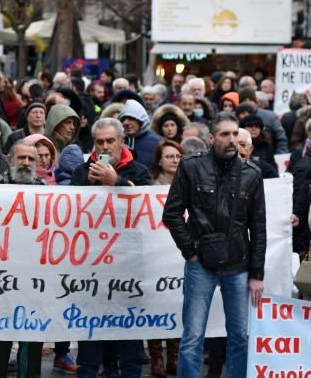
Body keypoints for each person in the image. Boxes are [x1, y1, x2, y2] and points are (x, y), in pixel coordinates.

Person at [162, 112, 265, 378]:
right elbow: (171, 214)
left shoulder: (252, 173)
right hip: (201, 265)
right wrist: (191, 254)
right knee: (193, 337)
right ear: (210, 138)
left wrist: (256, 274)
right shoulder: (191, 165)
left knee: (240, 336)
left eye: (235, 134)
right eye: (224, 134)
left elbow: (259, 227)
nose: (232, 140)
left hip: (239, 266)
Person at [71, 117, 151, 378]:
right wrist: (91, 185)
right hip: (92, 263)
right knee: (91, 329)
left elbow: (145, 206)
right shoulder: (82, 172)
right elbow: (71, 213)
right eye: (99, 142)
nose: (105, 147)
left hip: (128, 264)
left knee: (129, 330)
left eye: (110, 141)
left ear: (122, 141)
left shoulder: (139, 171)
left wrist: (116, 181)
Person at [0, 139, 46, 378]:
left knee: (31, 332)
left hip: (33, 274)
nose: (27, 163)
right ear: (9, 160)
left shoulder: (44, 188)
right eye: (22, 158)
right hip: (1, 273)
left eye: (32, 159)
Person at [147, 140, 184, 376]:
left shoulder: (189, 184)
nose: (175, 160)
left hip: (180, 254)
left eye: (178, 156)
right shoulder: (148, 188)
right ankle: (156, 358)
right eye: (169, 156)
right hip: (155, 255)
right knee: (155, 304)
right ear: (159, 161)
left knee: (177, 303)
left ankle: (174, 356)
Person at [238, 87, 288, 154]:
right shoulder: (232, 118)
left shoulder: (270, 116)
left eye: (251, 100)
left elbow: (281, 138)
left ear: (256, 102)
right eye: (244, 100)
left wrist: (280, 157)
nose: (248, 102)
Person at [118, 99, 164, 168]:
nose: (126, 123)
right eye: (123, 119)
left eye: (131, 118)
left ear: (141, 120)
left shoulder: (158, 142)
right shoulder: (116, 141)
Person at [70, 77, 96, 150]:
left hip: (83, 142)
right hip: (91, 140)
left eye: (70, 86)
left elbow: (82, 122)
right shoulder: (90, 100)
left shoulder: (77, 102)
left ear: (74, 88)